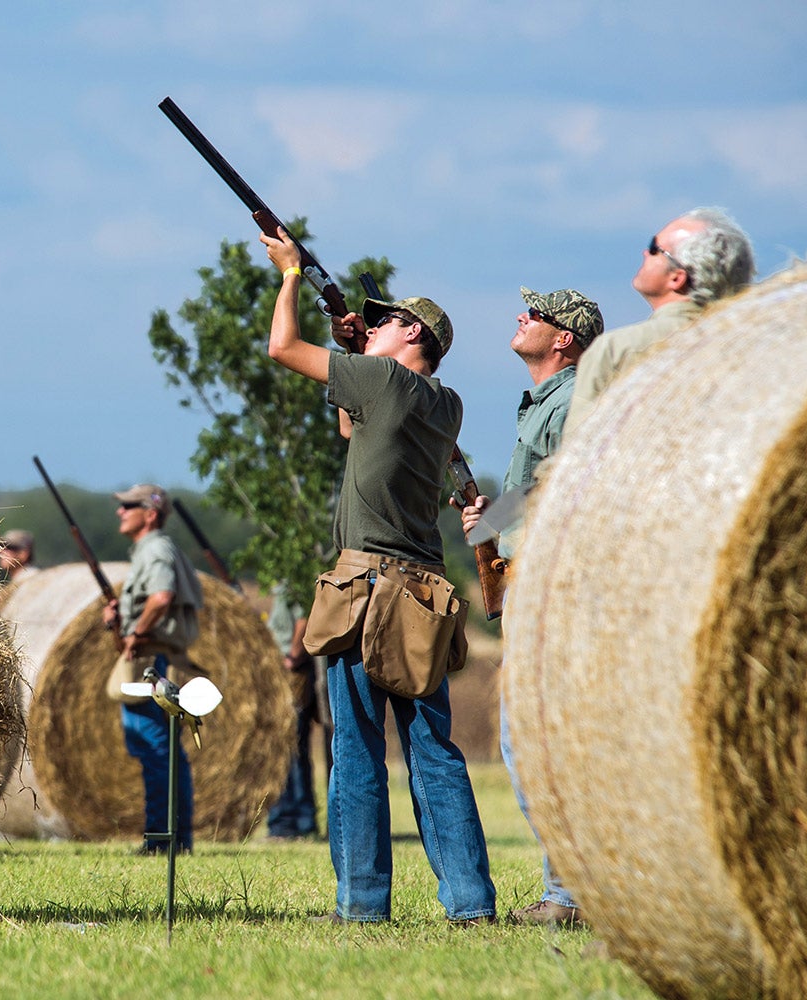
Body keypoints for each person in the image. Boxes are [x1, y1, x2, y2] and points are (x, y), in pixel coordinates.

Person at [260, 226, 496, 924]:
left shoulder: (382, 379)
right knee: (434, 754)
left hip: (366, 590)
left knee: (356, 752)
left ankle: (362, 906)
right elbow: (350, 430)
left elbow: (280, 349)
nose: (376, 323)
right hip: (425, 591)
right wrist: (357, 344)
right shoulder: (444, 404)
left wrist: (290, 276)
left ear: (412, 331)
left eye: (387, 318)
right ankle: (470, 903)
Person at [459, 287, 604, 927]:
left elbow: (566, 486)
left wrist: (499, 521)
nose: (522, 317)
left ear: (563, 340)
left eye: (536, 315)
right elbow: (535, 486)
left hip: (545, 581)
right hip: (529, 576)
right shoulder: (545, 403)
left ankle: (570, 896)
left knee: (536, 741)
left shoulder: (571, 399)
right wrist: (491, 520)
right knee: (530, 742)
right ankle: (567, 890)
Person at [564, 207, 754, 434]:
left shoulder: (615, 351)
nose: (645, 253)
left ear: (677, 278)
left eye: (655, 249)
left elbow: (574, 458)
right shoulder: (747, 350)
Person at [102, 483, 204, 855]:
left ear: (151, 512)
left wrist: (137, 632)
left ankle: (163, 840)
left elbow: (162, 597)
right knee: (164, 753)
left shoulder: (156, 548)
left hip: (154, 663)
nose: (120, 511)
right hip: (157, 660)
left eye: (128, 505)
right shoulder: (151, 549)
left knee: (157, 751)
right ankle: (173, 838)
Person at [265, 586, 318, 840]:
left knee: (288, 749)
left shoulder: (292, 577)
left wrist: (292, 657)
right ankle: (298, 819)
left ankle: (290, 821)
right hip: (288, 668)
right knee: (292, 749)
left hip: (292, 671)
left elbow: (304, 619)